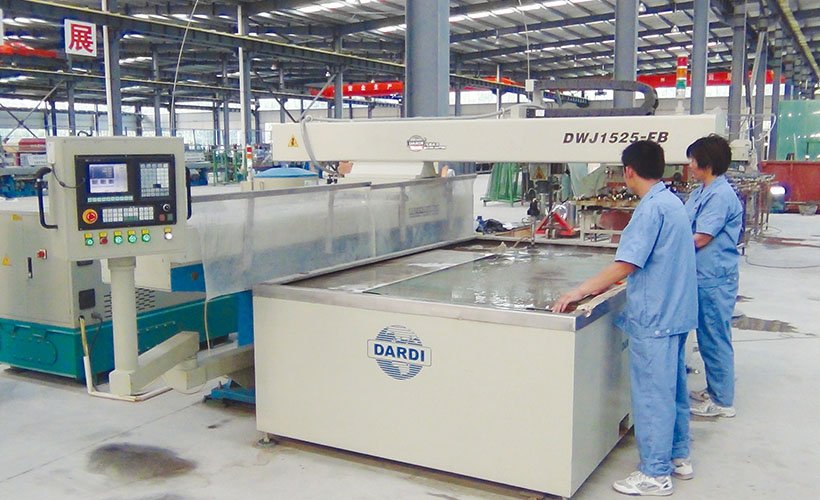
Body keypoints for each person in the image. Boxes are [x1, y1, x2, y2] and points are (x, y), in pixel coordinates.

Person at [553, 140, 698, 496]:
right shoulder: (672, 203)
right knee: (672, 390)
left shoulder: (650, 210)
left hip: (656, 317)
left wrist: (579, 291)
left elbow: (626, 264)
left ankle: (655, 473)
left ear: (629, 171)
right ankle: (678, 456)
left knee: (652, 396)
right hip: (676, 312)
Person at [683, 135, 743, 418]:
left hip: (714, 278)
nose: (690, 165)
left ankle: (722, 402)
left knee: (714, 337)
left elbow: (701, 237)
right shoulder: (701, 192)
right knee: (708, 335)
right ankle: (716, 388)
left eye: (693, 160)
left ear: (706, 164)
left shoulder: (720, 196)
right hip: (702, 275)